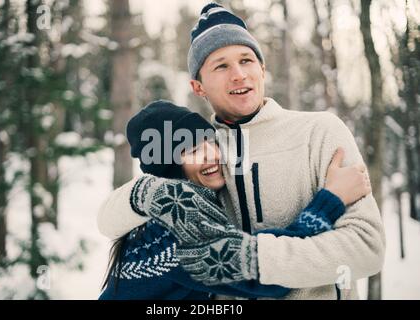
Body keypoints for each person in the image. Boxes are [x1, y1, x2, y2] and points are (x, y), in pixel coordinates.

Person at [98, 3, 385, 299]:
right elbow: (107, 220)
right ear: (198, 86)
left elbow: (367, 249)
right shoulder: (190, 184)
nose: (239, 75)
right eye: (221, 65)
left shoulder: (319, 132)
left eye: (247, 60)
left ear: (262, 69)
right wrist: (329, 202)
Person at [99, 101, 370, 300]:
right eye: (193, 150)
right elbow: (265, 276)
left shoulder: (179, 208)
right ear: (169, 168)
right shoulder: (173, 224)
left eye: (210, 142)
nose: (211, 155)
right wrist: (331, 199)